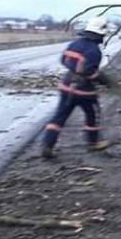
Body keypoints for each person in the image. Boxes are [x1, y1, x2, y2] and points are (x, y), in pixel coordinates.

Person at [41, 16, 111, 158]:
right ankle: (93, 143)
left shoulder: (74, 44)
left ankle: (48, 145)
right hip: (84, 91)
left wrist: (75, 69)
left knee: (60, 116)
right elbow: (88, 72)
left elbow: (63, 60)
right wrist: (103, 79)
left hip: (66, 87)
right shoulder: (94, 51)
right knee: (93, 115)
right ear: (100, 34)